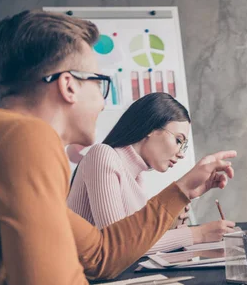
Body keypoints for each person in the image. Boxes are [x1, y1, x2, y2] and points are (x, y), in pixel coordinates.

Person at [0, 10, 236, 285]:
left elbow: (103, 253)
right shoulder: (29, 138)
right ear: (69, 85)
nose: (103, 101)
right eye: (101, 83)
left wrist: (184, 190)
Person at [68, 92, 236, 253]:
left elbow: (135, 241)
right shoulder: (103, 155)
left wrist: (168, 224)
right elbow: (119, 246)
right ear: (151, 128)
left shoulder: (137, 178)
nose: (180, 152)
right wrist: (199, 234)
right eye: (178, 140)